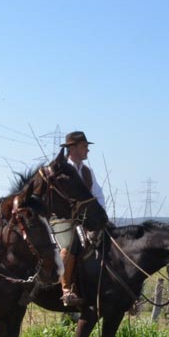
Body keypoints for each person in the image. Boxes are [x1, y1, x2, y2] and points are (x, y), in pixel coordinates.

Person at [57, 130, 106, 306]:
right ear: (73, 148)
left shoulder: (87, 171)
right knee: (70, 243)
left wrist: (101, 218)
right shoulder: (61, 169)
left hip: (84, 219)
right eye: (84, 146)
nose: (88, 150)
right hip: (61, 218)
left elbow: (97, 196)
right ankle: (66, 289)